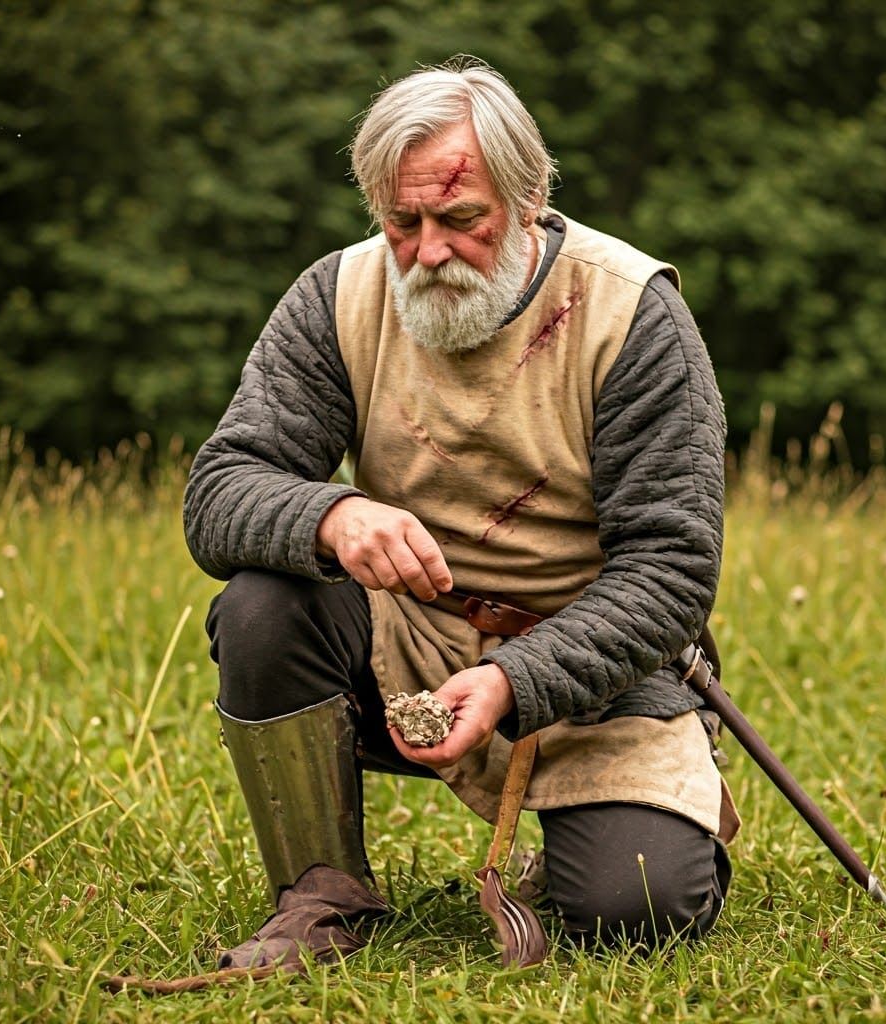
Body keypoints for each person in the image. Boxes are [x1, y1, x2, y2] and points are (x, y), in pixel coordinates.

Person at [183, 56, 739, 969]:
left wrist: (514, 679)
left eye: (461, 220)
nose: (429, 251)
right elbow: (221, 487)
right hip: (403, 637)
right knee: (262, 603)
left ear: (528, 200)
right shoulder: (338, 295)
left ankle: (621, 830)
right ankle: (320, 895)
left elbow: (670, 572)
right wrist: (330, 516)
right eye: (402, 223)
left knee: (634, 909)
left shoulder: (632, 313)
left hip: (592, 662)